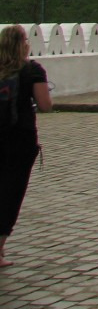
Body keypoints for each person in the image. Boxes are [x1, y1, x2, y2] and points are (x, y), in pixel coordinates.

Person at [0, 25, 53, 268]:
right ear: (24, 43)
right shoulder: (32, 70)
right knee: (11, 193)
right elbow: (45, 105)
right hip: (20, 139)